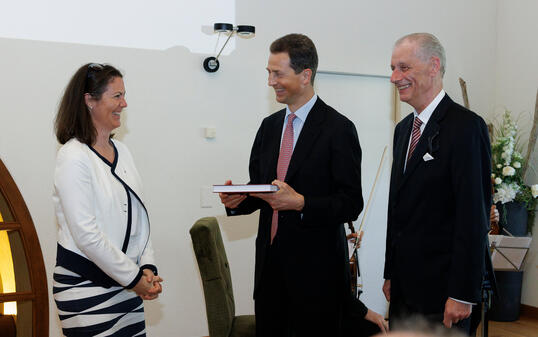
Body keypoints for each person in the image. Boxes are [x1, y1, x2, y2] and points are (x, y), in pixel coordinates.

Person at [219, 33, 363, 337]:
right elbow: (263, 190)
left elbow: (351, 202)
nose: (271, 81)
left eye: (278, 73)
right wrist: (239, 199)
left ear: (305, 75)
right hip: (269, 271)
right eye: (269, 73)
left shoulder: (339, 129)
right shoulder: (269, 127)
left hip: (317, 279)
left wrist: (301, 203)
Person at [382, 33, 491, 335]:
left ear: (433, 66)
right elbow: (398, 207)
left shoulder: (466, 127)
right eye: (392, 68)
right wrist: (391, 272)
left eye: (403, 68)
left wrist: (462, 294)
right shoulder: (404, 129)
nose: (394, 77)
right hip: (404, 290)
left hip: (444, 293)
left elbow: (473, 217)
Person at [52, 63, 163, 336]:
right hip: (85, 286)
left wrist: (146, 266)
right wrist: (134, 277)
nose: (124, 104)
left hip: (126, 285)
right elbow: (86, 234)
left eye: (124, 96)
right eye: (116, 96)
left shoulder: (122, 150)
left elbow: (140, 218)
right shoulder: (73, 156)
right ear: (89, 100)